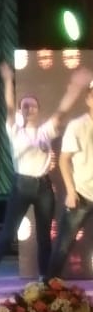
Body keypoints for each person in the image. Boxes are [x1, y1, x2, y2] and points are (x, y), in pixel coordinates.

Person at [0, 63, 90, 293]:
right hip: (21, 185)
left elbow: (61, 112)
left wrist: (75, 89)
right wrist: (7, 80)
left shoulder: (44, 131)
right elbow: (9, 107)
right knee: (8, 232)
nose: (29, 108)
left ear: (38, 110)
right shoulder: (14, 130)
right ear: (21, 111)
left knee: (44, 236)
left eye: (33, 105)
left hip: (44, 187)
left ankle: (43, 280)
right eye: (25, 105)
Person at [47, 75, 93, 278]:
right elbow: (64, 160)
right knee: (63, 245)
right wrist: (71, 191)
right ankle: (48, 286)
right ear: (88, 99)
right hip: (82, 193)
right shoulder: (77, 125)